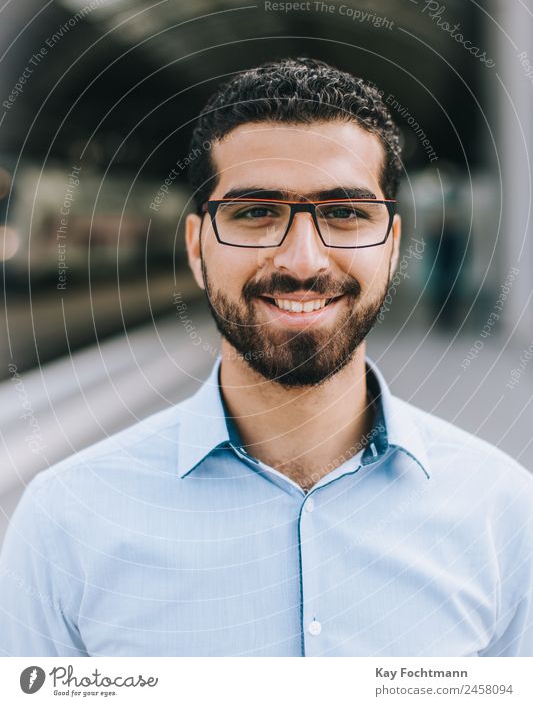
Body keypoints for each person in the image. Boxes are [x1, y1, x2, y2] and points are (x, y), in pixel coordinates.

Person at [1, 57, 532, 657]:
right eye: (256, 213)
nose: (303, 261)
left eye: (345, 214)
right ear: (198, 249)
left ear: (393, 247)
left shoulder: (504, 515)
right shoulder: (65, 521)